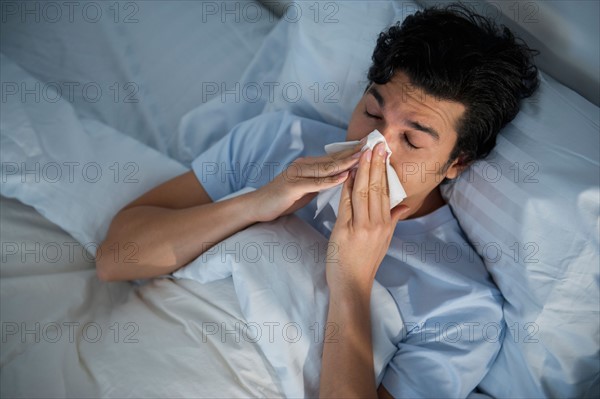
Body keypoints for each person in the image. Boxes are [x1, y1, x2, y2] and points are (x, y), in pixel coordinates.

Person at [96, 4, 539, 398]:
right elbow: (115, 258)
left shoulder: (462, 307)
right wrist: (256, 203)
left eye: (411, 140)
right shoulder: (280, 141)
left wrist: (350, 280)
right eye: (372, 112)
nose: (373, 146)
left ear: (457, 162)